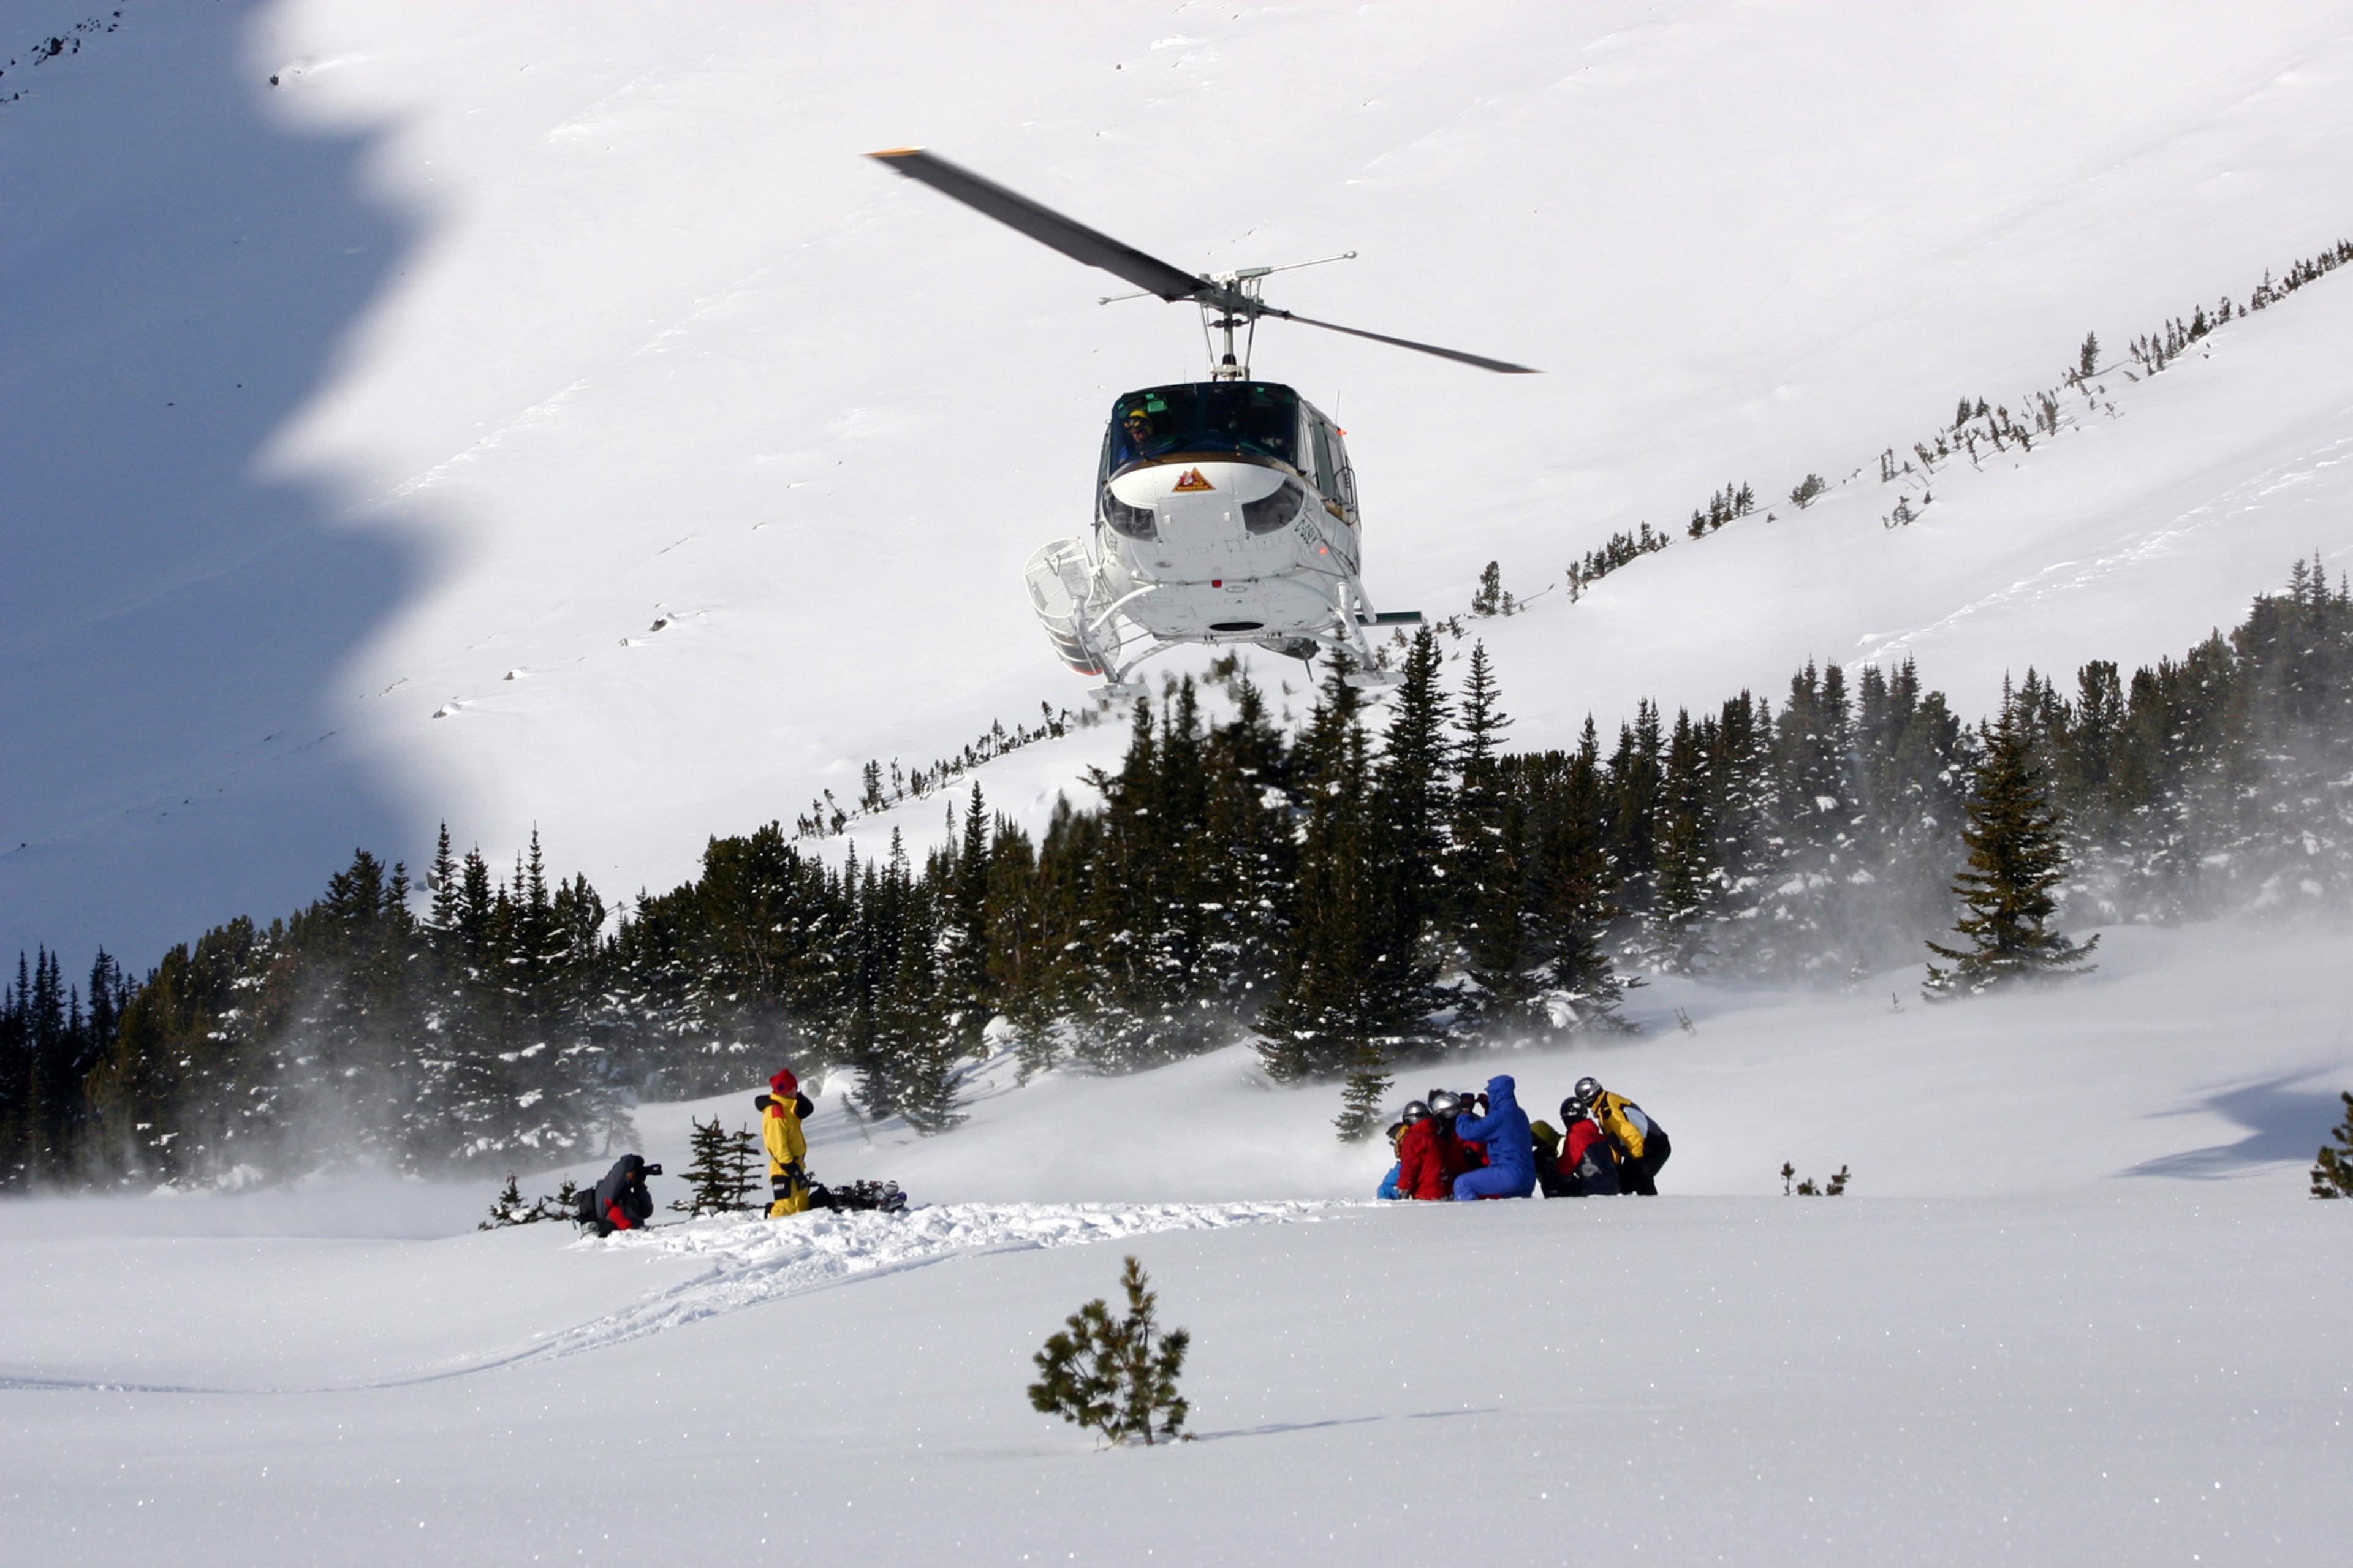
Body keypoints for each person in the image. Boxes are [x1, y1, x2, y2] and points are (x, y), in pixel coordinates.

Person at [1576, 1075, 1670, 1195]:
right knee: (1624, 1182)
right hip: (1642, 1147)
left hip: (1651, 1146)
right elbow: (1614, 1141)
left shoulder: (1608, 1110)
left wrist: (1638, 1160)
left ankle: (1653, 1209)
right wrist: (1615, 1165)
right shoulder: (1604, 1105)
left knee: (1641, 1178)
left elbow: (1629, 1134)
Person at [1450, 1075, 1536, 1200]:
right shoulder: (1519, 1113)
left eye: (1490, 1094)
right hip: (1527, 1175)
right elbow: (1501, 1130)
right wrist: (1489, 1109)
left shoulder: (1500, 1116)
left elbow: (1466, 1132)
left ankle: (1469, 1219)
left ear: (1496, 1094)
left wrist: (1465, 1110)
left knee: (1463, 1183)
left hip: (1509, 1173)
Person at [1393, 1097, 1469, 1201]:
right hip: (1446, 1189)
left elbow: (1409, 1167)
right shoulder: (1436, 1135)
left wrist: (1404, 1188)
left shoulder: (1413, 1138)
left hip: (1426, 1193)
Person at [763, 1068, 813, 1218]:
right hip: (785, 1168)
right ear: (787, 1089)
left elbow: (807, 1109)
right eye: (794, 1088)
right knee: (785, 1208)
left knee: (802, 1206)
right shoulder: (776, 1114)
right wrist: (794, 1172)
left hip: (796, 1165)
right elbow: (779, 1147)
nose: (796, 1091)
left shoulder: (787, 1109)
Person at [1555, 1093, 1622, 1197]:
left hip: (1593, 1188)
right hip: (1613, 1186)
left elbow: (1565, 1168)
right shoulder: (1599, 1136)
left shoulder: (1576, 1138)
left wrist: (1553, 1164)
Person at [588, 1153, 658, 1237]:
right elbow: (622, 1167)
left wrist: (640, 1187)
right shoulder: (608, 1188)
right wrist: (632, 1160)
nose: (635, 1174)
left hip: (634, 1233)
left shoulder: (626, 1192)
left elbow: (646, 1212)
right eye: (633, 1171)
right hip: (615, 1235)